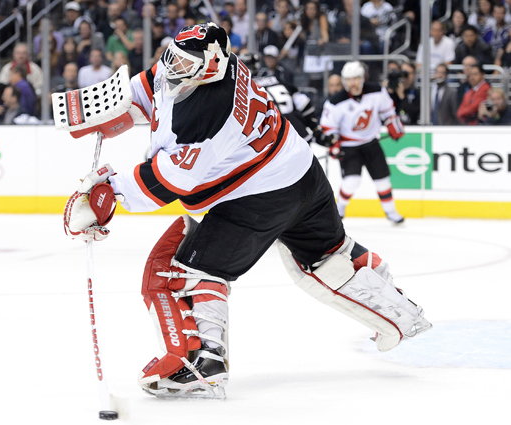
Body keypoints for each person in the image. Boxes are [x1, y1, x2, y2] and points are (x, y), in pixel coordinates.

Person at [62, 23, 431, 399]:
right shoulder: (216, 63)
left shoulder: (210, 111)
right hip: (300, 169)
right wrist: (113, 106)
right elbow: (156, 83)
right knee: (327, 256)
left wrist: (109, 194)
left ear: (210, 66)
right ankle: (401, 311)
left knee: (189, 269)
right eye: (172, 55)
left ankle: (202, 363)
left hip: (258, 197)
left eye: (183, 61)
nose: (173, 66)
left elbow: (174, 179)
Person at [319, 61, 406, 224]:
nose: (353, 83)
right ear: (345, 81)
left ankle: (391, 211)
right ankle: (340, 209)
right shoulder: (336, 101)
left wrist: (393, 124)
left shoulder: (377, 91)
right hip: (349, 147)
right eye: (349, 79)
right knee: (352, 181)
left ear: (362, 78)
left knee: (383, 180)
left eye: (356, 78)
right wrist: (333, 143)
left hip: (371, 144)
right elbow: (329, 127)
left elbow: (388, 111)